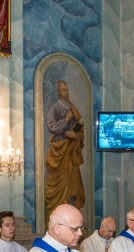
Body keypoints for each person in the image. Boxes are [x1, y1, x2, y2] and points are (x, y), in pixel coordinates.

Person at [45, 80, 86, 222]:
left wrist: (76, 135)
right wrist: (65, 121)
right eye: (63, 90)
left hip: (72, 151)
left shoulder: (72, 107)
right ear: (58, 92)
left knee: (73, 182)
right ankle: (58, 218)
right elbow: (51, 126)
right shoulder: (55, 108)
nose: (66, 92)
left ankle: (71, 215)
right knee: (60, 180)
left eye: (67, 90)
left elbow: (81, 126)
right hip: (60, 150)